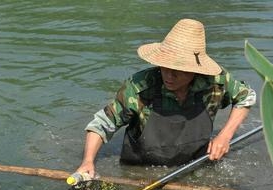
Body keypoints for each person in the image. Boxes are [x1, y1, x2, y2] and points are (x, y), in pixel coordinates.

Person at [75, 18, 256, 179]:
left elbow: (246, 96)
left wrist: (224, 136)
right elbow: (102, 123)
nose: (168, 75)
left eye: (177, 71)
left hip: (195, 165)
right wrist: (87, 161)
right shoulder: (139, 87)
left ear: (195, 70)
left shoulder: (216, 82)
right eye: (164, 67)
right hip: (141, 170)